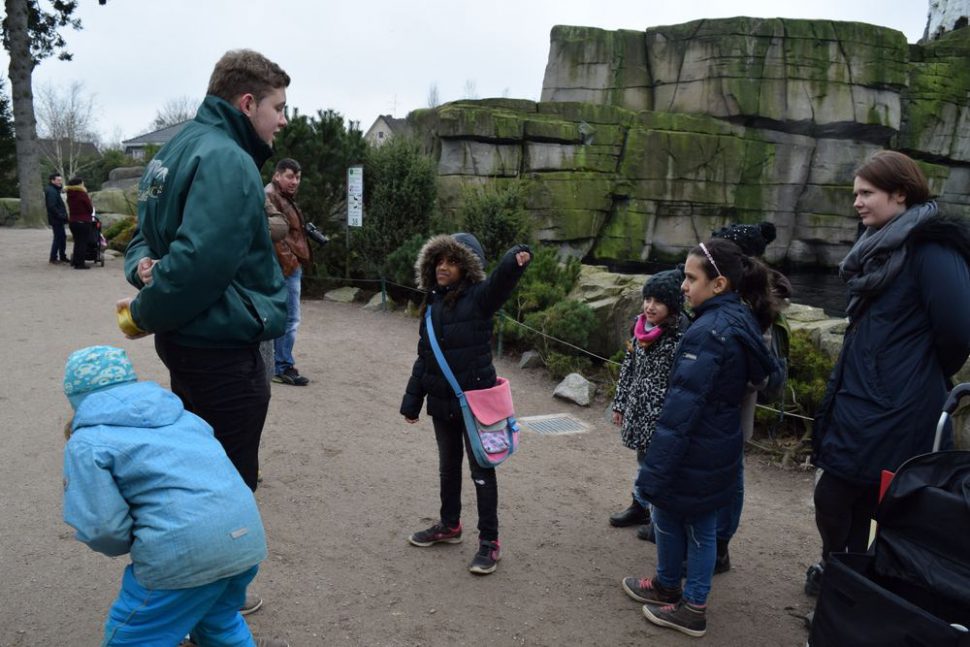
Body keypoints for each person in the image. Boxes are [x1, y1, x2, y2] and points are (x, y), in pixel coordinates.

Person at [120, 49, 290, 616]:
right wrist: (145, 312)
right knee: (230, 481)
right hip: (222, 345)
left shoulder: (174, 150)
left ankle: (201, 592)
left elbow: (144, 240)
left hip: (191, 343)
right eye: (277, 108)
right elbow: (198, 264)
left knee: (197, 467)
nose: (283, 121)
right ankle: (216, 604)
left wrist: (145, 273)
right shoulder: (228, 160)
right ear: (247, 103)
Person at [806, 150, 970, 596]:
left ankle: (853, 585)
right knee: (847, 499)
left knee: (853, 499)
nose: (857, 202)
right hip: (861, 398)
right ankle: (843, 576)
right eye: (855, 193)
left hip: (899, 404)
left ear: (900, 193)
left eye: (867, 193)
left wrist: (909, 373)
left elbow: (957, 330)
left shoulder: (931, 248)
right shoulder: (882, 246)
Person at [61, 346, 288, 647]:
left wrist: (131, 544)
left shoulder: (87, 443)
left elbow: (101, 526)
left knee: (134, 636)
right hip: (246, 541)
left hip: (182, 554)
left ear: (76, 400)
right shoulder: (185, 418)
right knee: (218, 622)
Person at [622, 238, 780, 638]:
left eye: (691, 278)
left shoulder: (710, 331)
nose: (684, 287)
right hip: (715, 441)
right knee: (672, 515)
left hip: (697, 445)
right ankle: (666, 584)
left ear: (720, 283)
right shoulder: (734, 319)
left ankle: (693, 607)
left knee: (698, 527)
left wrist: (655, 467)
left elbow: (684, 406)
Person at [400, 233, 531, 575]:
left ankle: (490, 542)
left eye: (453, 261)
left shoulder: (479, 300)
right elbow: (425, 357)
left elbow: (500, 284)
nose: (444, 267)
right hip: (442, 403)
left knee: (481, 471)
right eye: (440, 260)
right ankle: (450, 525)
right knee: (448, 467)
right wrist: (412, 402)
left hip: (474, 403)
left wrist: (514, 258)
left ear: (468, 268)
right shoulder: (430, 303)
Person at [708, 221, 791, 574]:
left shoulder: (755, 308)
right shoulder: (739, 298)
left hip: (729, 410)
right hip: (718, 409)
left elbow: (756, 373)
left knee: (729, 476)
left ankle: (719, 545)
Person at [608, 268, 685, 537]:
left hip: (661, 413)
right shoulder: (640, 329)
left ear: (672, 305)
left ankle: (658, 519)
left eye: (658, 302)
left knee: (658, 464)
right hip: (639, 408)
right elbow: (628, 368)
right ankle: (640, 505)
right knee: (643, 460)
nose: (650, 307)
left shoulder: (678, 337)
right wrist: (619, 403)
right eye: (648, 299)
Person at [265, 158, 312, 386]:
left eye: (298, 177)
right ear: (277, 175)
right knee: (290, 318)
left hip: (286, 265)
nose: (295, 181)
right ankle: (282, 366)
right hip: (285, 267)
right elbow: (277, 235)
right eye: (290, 176)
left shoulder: (281, 196)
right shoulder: (271, 195)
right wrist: (290, 264)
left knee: (285, 317)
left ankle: (278, 364)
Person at [65, 176, 94, 270]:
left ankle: (75, 261)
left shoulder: (69, 194)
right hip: (83, 220)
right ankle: (80, 264)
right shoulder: (82, 194)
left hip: (73, 220)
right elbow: (89, 207)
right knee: (82, 243)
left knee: (77, 242)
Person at [45, 172, 69, 264]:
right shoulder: (51, 191)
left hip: (57, 218)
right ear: (52, 180)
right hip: (56, 218)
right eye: (58, 180)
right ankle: (54, 258)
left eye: (60, 180)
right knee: (59, 237)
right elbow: (52, 206)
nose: (60, 182)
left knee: (61, 237)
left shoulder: (54, 190)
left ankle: (61, 256)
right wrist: (60, 215)